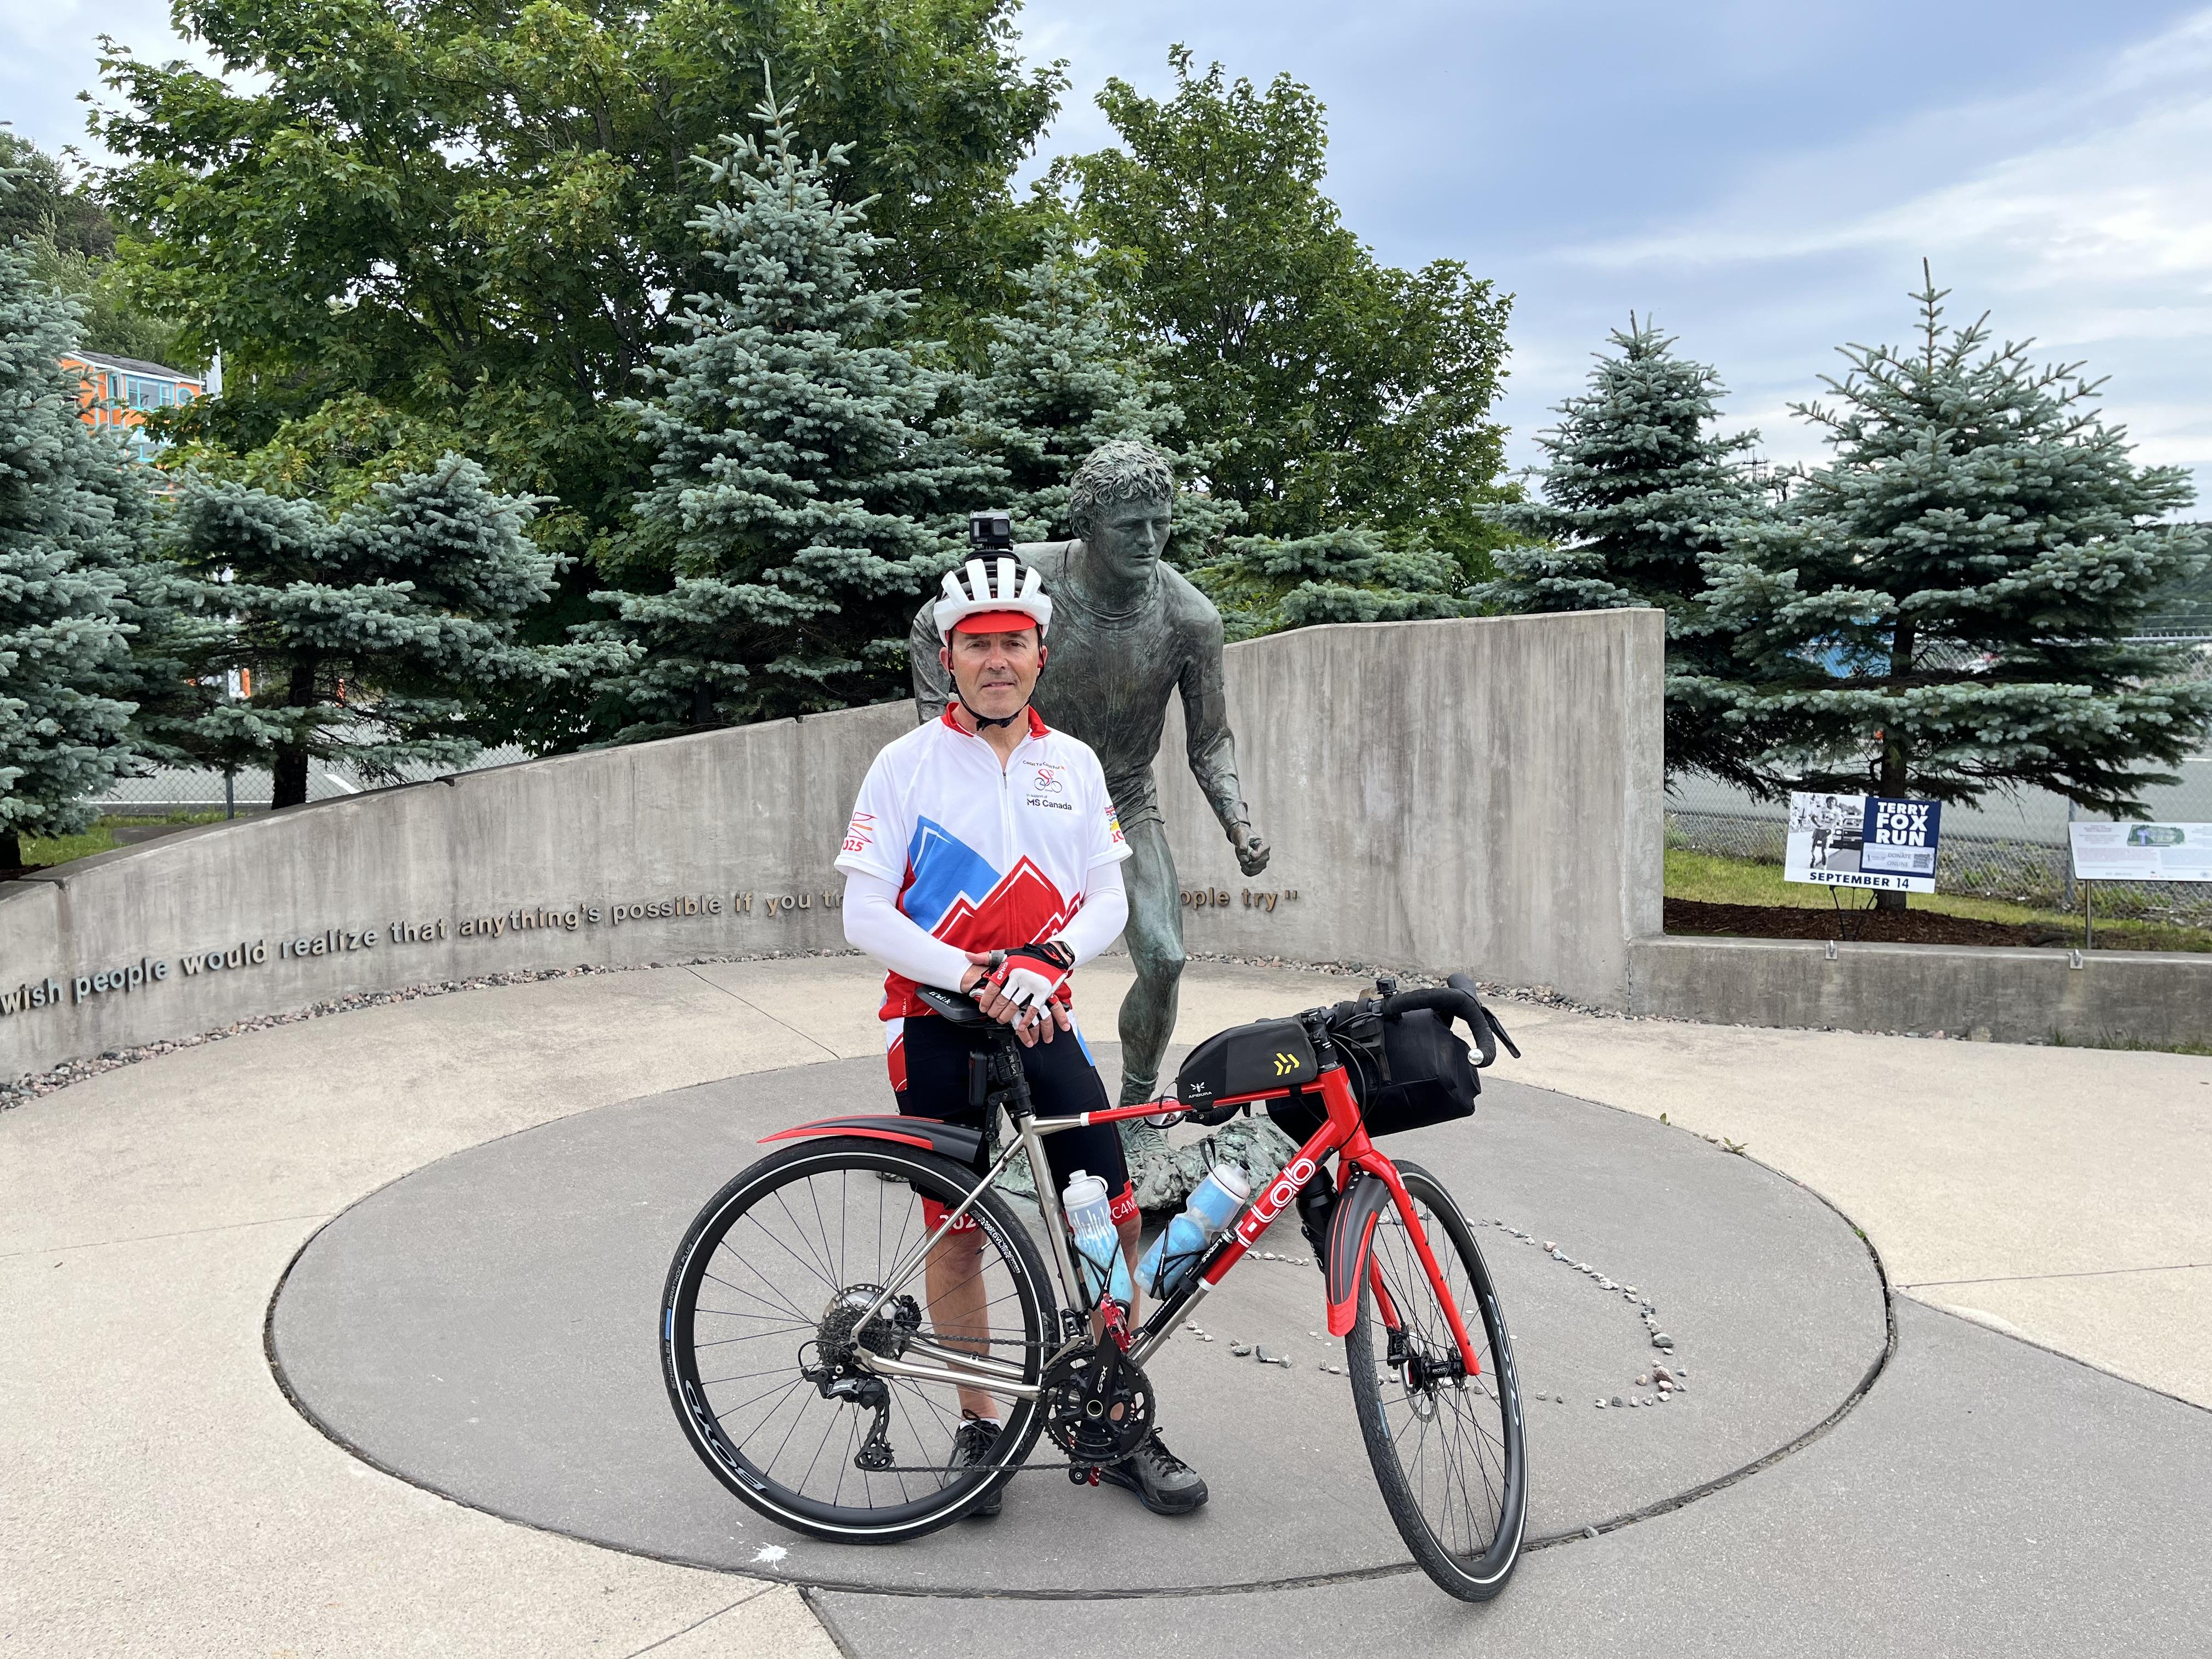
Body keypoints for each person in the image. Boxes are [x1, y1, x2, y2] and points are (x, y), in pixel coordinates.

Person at [838, 548, 1209, 1518]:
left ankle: (1114, 1410)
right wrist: (969, 970)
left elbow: (1106, 897)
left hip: (1045, 1013)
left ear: (1040, 656)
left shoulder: (1072, 763)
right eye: (976, 645)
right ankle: (979, 1422)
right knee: (956, 1235)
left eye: (1012, 643)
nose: (995, 659)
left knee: (1111, 1212)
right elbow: (864, 914)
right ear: (949, 659)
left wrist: (1046, 959)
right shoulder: (903, 765)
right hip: (936, 1022)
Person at [909, 443, 1269, 1142]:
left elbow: (1209, 740)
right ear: (1088, 525)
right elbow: (934, 625)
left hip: (1124, 797)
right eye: (1130, 526)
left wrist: (1238, 821)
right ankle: (960, 1125)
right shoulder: (1031, 576)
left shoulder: (1191, 619)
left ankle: (1136, 1114)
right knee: (984, 962)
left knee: (1165, 958)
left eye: (1160, 523)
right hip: (1021, 787)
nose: (1150, 540)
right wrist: (947, 732)